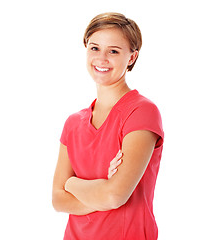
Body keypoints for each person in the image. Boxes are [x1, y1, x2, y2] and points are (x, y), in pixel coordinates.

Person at [52, 12, 164, 240]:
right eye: (94, 48)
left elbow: (114, 196)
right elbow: (57, 199)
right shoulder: (73, 123)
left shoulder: (141, 112)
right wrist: (100, 190)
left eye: (113, 51)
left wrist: (72, 183)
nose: (101, 59)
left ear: (132, 57)